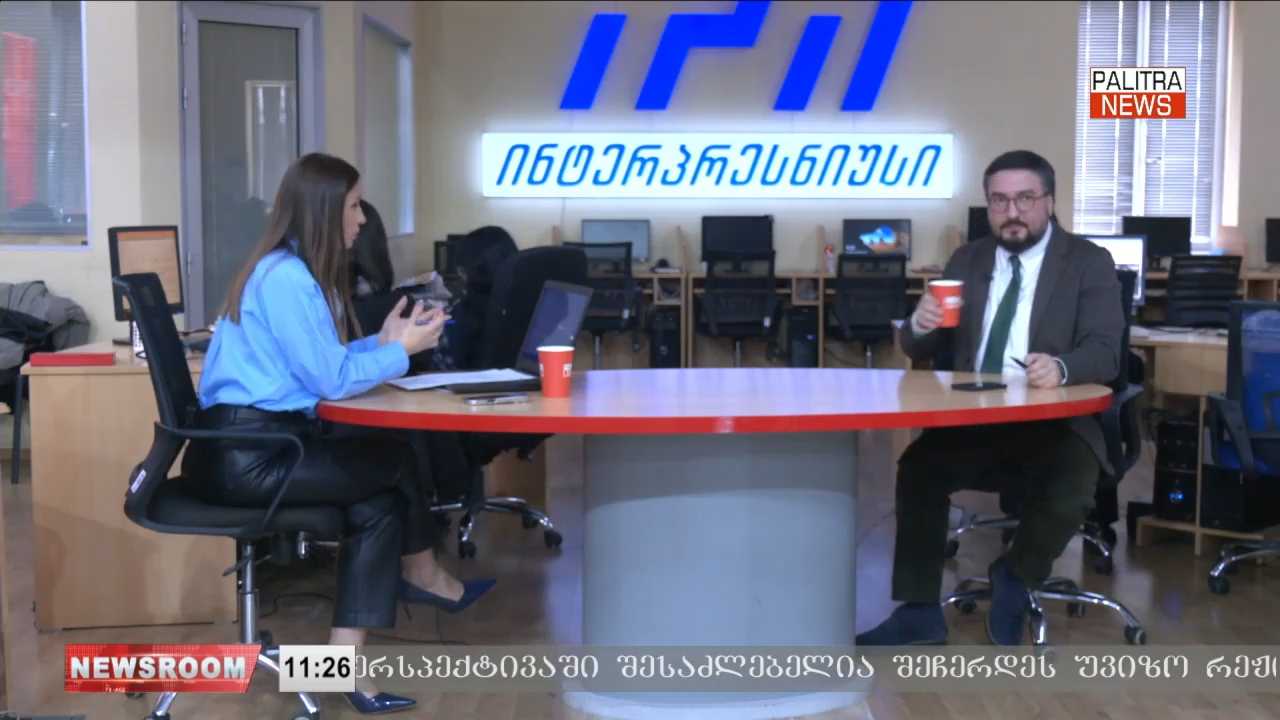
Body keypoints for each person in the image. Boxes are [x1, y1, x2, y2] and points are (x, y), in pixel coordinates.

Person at [184, 153, 494, 714]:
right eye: (353, 206)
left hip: (252, 446)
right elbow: (330, 381)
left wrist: (384, 343)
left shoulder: (289, 272)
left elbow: (324, 363)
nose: (361, 219)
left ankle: (347, 659)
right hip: (251, 454)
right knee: (394, 463)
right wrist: (401, 352)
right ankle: (418, 578)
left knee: (378, 498)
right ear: (325, 211)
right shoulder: (286, 279)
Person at [857, 150, 1124, 647]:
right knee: (918, 470)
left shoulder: (1087, 262)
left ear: (1049, 201)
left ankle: (1015, 574)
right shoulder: (968, 260)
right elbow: (920, 347)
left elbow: (1106, 350)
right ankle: (918, 610)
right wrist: (919, 325)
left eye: (1025, 198)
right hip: (976, 417)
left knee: (1072, 484)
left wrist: (1063, 367)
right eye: (999, 201)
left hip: (1054, 420)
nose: (1012, 212)